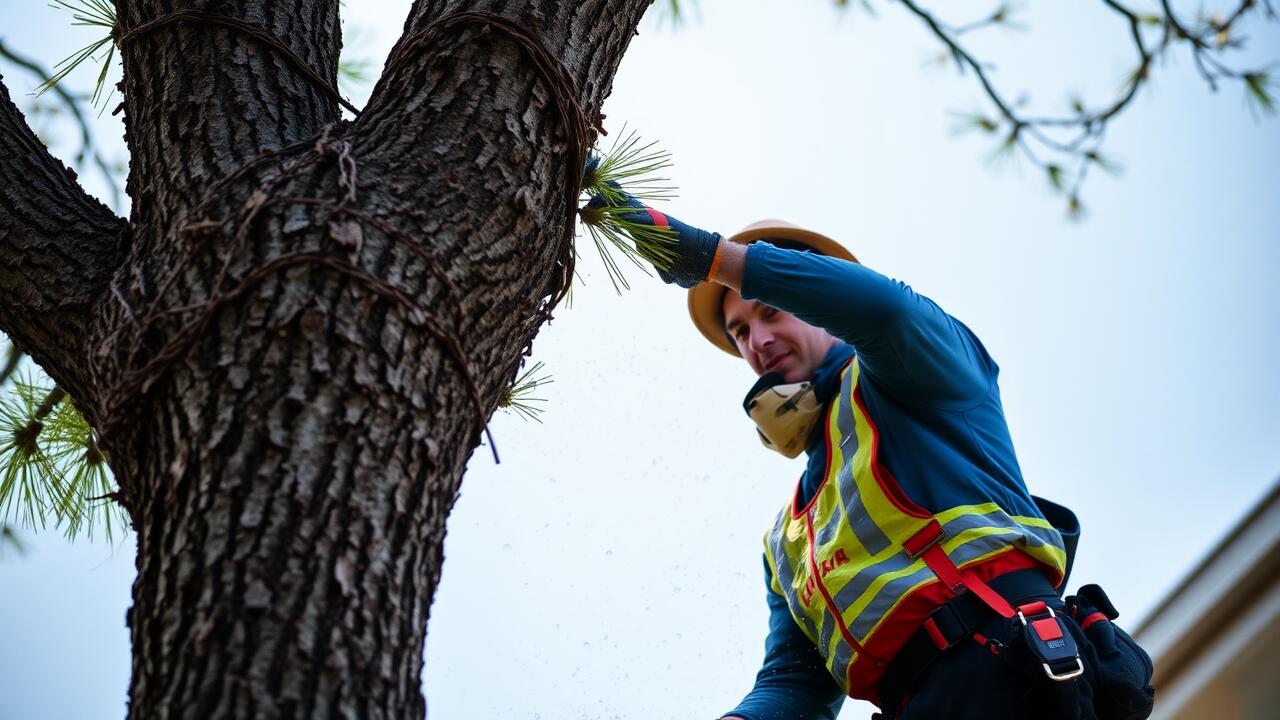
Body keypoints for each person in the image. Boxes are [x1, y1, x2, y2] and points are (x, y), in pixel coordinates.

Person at [586, 187, 1155, 720]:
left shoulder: (913, 372)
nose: (755, 343)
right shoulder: (785, 541)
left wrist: (715, 259)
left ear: (816, 299)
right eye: (738, 332)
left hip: (1013, 670)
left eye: (770, 310)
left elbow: (885, 312)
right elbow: (795, 684)